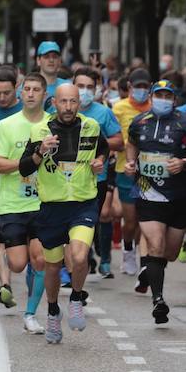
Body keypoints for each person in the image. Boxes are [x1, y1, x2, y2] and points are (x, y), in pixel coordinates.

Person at [22, 83, 106, 344]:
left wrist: (100, 162)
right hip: (52, 206)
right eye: (63, 102)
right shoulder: (40, 130)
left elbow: (103, 149)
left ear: (79, 103)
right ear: (54, 103)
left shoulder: (91, 126)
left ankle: (76, 298)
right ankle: (52, 311)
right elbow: (24, 168)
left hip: (83, 202)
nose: (68, 107)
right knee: (53, 265)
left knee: (79, 257)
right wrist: (40, 151)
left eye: (73, 102)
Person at [124, 80, 186, 325]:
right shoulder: (139, 122)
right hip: (148, 192)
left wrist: (185, 162)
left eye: (168, 96)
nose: (163, 100)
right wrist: (130, 162)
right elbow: (131, 143)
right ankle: (158, 300)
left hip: (179, 195)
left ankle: (151, 270)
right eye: (159, 95)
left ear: (174, 100)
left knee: (170, 253)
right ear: (151, 97)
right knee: (155, 245)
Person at [0, 71, 48, 334]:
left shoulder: (52, 125)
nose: (31, 94)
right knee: (18, 264)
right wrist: (26, 163)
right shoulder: (7, 125)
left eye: (37, 89)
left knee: (41, 259)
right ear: (21, 93)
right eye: (28, 89)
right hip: (12, 203)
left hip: (43, 203)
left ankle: (30, 314)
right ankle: (5, 256)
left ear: (45, 94)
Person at [70, 68, 123, 278]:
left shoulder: (103, 113)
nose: (84, 91)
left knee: (93, 220)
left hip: (96, 179)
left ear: (97, 89)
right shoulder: (60, 110)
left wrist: (95, 143)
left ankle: (100, 258)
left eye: (89, 87)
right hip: (64, 180)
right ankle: (81, 260)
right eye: (80, 86)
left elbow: (119, 141)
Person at [109, 68, 153, 277]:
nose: (141, 90)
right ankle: (128, 249)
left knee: (143, 217)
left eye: (145, 86)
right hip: (125, 171)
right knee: (130, 219)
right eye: (138, 86)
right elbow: (114, 137)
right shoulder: (119, 108)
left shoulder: (154, 108)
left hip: (148, 173)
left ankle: (137, 250)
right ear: (129, 87)